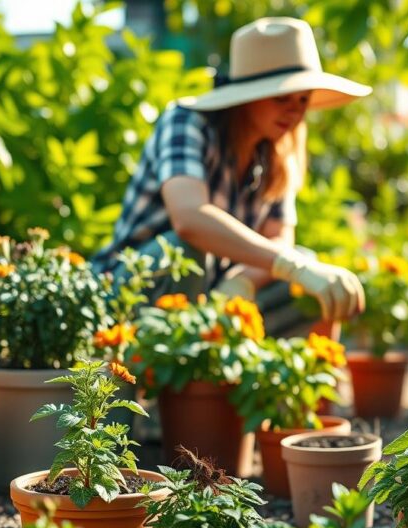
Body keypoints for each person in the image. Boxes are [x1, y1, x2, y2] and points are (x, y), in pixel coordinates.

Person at [94, 17, 371, 336]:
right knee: (186, 253)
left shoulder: (278, 149)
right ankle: (162, 375)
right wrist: (291, 266)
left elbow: (279, 239)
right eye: (281, 97)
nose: (294, 111)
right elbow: (189, 218)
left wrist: (242, 282)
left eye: (303, 100)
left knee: (309, 277)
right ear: (247, 96)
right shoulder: (187, 123)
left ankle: (297, 380)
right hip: (132, 295)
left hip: (212, 294)